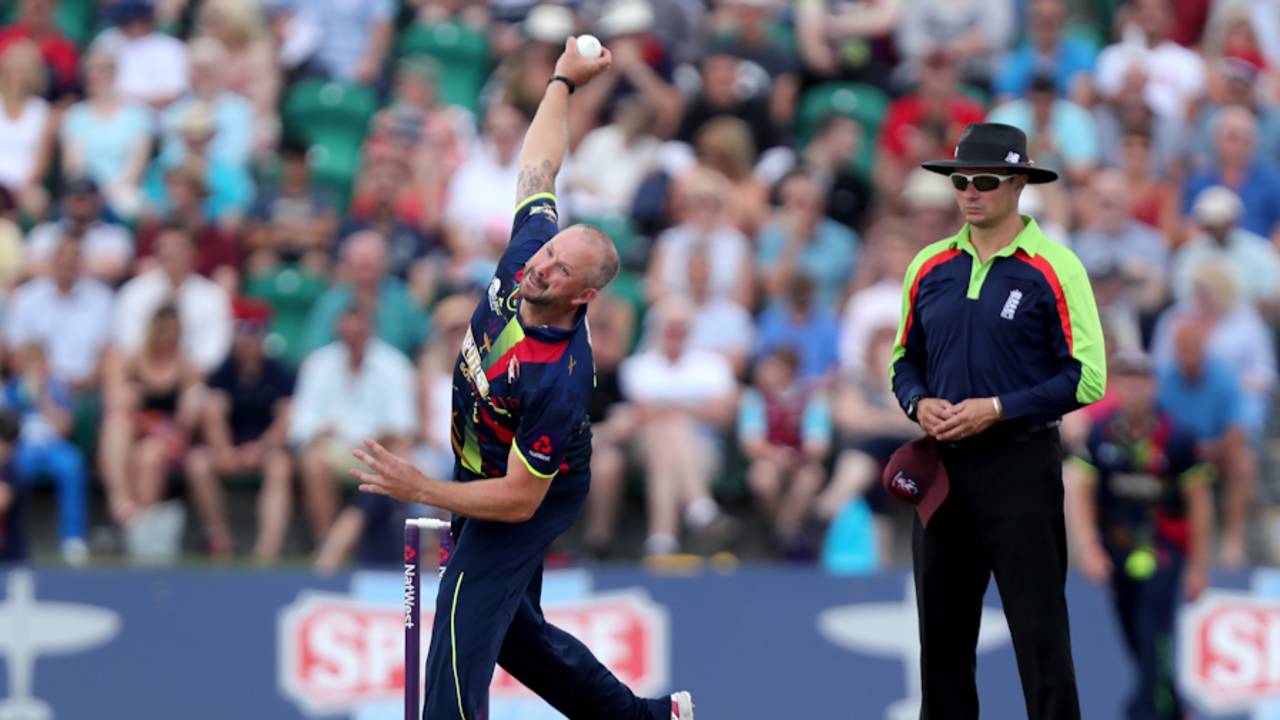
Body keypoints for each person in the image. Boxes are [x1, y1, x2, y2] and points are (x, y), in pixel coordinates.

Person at [351, 38, 694, 719]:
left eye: (560, 270)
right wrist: (563, 82)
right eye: (548, 253)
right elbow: (539, 167)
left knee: (456, 625)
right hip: (479, 466)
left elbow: (515, 502)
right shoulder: (528, 254)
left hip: (529, 490)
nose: (542, 267)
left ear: (583, 296)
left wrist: (417, 485)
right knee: (514, 638)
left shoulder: (561, 377)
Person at [891, 123, 1107, 718]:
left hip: (1020, 465)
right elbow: (903, 359)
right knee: (941, 644)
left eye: (985, 181)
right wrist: (918, 403)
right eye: (960, 181)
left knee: (1039, 639)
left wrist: (997, 408)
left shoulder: (1054, 266)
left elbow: (1088, 376)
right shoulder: (929, 265)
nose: (969, 192)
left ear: (1018, 184)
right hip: (943, 471)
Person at [1066, 350, 1212, 720]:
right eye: (1126, 380)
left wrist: (1198, 566)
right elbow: (1080, 489)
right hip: (1117, 548)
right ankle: (1176, 708)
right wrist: (1089, 548)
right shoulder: (1101, 434)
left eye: (1141, 381)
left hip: (1164, 549)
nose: (1133, 389)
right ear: (1115, 386)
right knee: (1133, 630)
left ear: (1154, 385)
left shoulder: (1176, 437)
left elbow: (1199, 504)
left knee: (1153, 630)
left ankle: (1146, 711)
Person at [184, 300, 295, 560]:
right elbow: (213, 412)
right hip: (229, 448)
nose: (249, 341)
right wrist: (224, 449)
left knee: (280, 466)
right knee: (197, 463)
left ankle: (267, 550)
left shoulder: (279, 372)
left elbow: (285, 418)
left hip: (264, 449)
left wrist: (261, 448)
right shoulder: (223, 372)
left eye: (255, 334)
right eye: (244, 333)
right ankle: (220, 540)